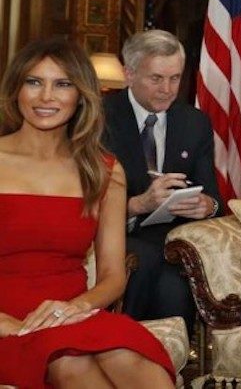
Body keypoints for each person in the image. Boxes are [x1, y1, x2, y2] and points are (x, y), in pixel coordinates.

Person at [0, 37, 174, 388]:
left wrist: (75, 308)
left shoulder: (103, 169)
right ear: (16, 89)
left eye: (62, 84)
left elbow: (112, 275)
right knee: (70, 363)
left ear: (80, 95)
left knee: (129, 354)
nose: (46, 97)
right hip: (7, 320)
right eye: (34, 82)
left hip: (73, 312)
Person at [102, 29, 220, 333]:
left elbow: (212, 195)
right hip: (116, 236)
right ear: (129, 73)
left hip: (174, 243)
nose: (167, 89)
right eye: (156, 79)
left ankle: (164, 366)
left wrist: (206, 205)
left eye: (175, 78)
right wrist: (139, 204)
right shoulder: (99, 118)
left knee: (175, 284)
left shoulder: (195, 122)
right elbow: (82, 198)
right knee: (148, 264)